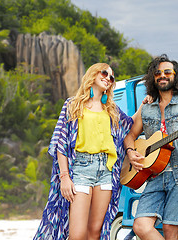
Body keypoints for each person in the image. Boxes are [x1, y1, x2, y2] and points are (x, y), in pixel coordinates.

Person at [33, 63, 133, 240]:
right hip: (80, 169)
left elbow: (130, 127)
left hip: (106, 172)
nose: (108, 78)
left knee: (95, 232)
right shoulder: (73, 105)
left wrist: (146, 104)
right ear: (93, 74)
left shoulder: (112, 110)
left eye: (112, 77)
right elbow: (60, 143)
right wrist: (64, 177)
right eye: (105, 73)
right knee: (77, 234)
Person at [123, 54, 178, 240]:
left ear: (176, 76)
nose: (162, 76)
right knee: (140, 226)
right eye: (157, 73)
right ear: (152, 77)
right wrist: (131, 152)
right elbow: (130, 134)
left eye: (167, 72)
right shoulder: (146, 107)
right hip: (153, 174)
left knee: (170, 230)